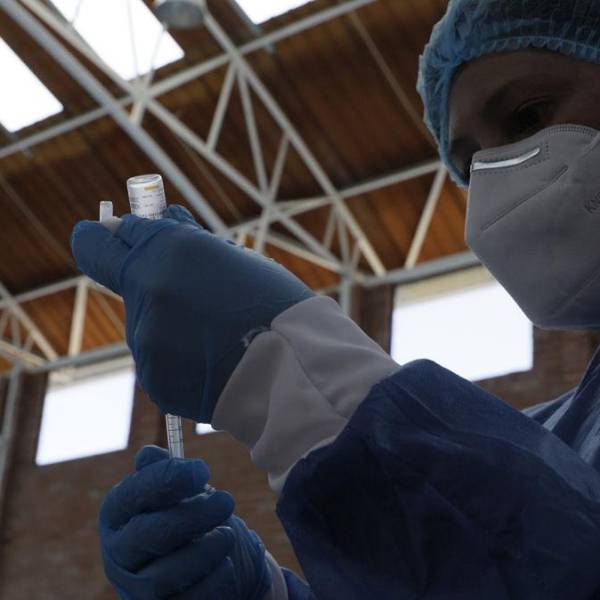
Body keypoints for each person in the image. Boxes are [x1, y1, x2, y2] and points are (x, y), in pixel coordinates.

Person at [71, 0, 600, 598]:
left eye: (529, 115)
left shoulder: (528, 455)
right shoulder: (553, 440)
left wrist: (289, 376)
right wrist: (264, 593)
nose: (503, 178)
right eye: (472, 165)